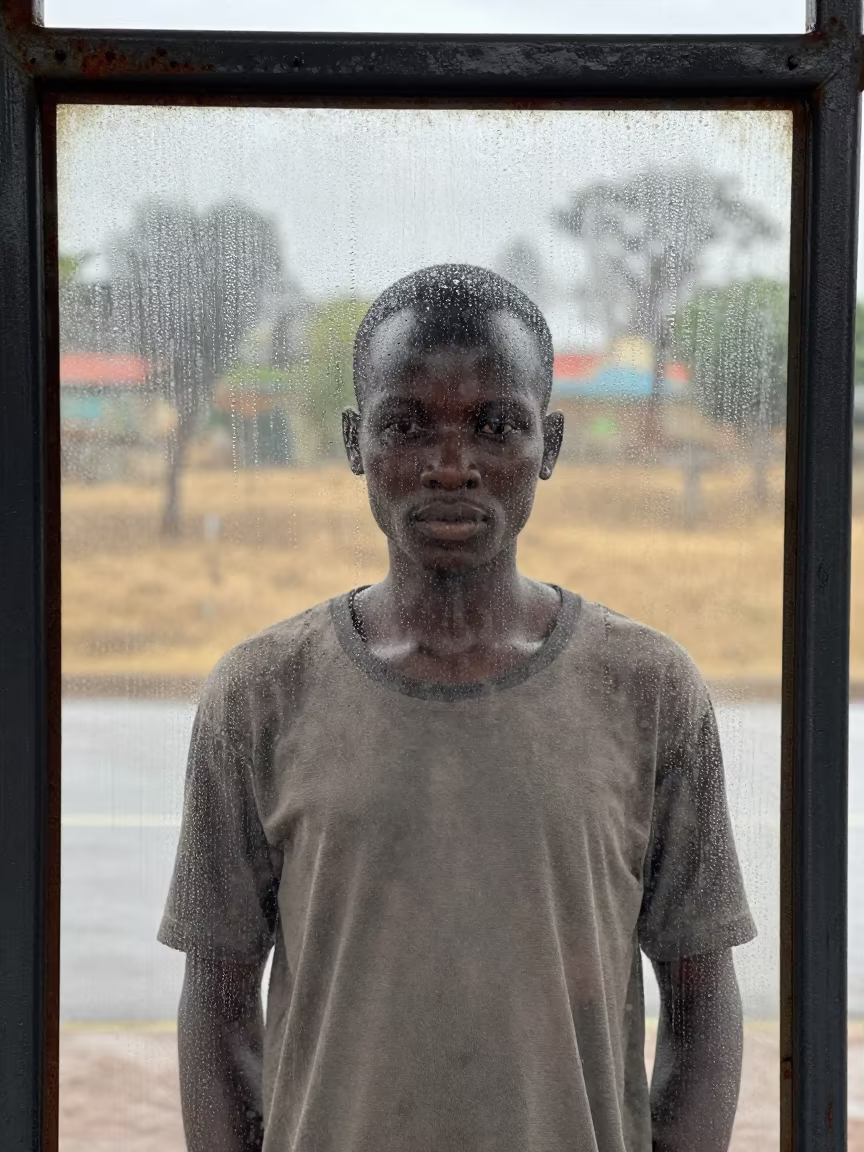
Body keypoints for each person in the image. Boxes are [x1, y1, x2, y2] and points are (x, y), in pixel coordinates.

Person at [159, 264, 756, 1152]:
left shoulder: (650, 689)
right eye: (407, 425)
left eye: (495, 426)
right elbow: (217, 1013)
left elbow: (703, 1013)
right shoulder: (259, 695)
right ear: (356, 441)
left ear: (548, 445)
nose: (450, 466)